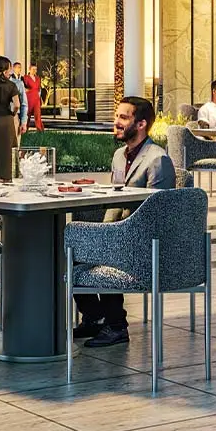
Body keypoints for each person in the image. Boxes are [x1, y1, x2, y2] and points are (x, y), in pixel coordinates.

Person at [73, 96, 175, 348]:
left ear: (141, 124)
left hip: (145, 240)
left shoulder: (157, 159)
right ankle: (95, 316)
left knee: (101, 250)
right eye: (116, 116)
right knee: (68, 246)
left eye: (123, 117)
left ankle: (117, 326)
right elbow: (115, 197)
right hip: (118, 231)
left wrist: (112, 234)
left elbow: (157, 212)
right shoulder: (120, 155)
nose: (116, 122)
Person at [24, 63, 44, 131]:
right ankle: (24, 129)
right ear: (29, 69)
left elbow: (39, 89)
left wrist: (39, 98)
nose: (34, 71)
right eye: (33, 69)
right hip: (29, 98)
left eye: (36, 69)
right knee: (27, 115)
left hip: (36, 98)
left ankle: (40, 130)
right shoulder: (26, 77)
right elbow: (24, 88)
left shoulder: (38, 78)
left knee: (38, 115)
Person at [11, 62, 29, 137]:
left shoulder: (21, 80)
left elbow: (23, 104)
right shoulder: (11, 79)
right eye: (18, 67)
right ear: (12, 68)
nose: (19, 69)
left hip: (15, 113)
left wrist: (23, 122)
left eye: (20, 68)